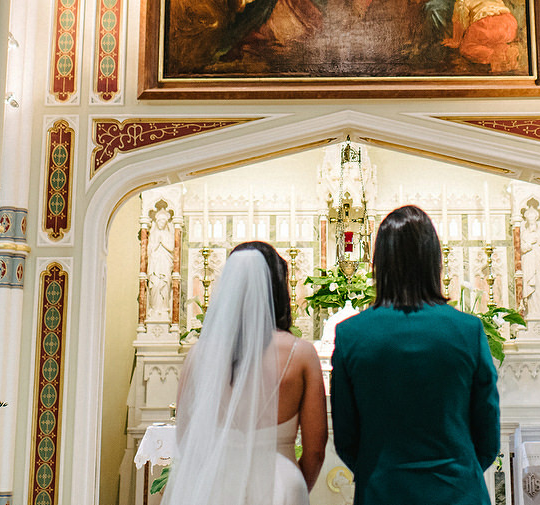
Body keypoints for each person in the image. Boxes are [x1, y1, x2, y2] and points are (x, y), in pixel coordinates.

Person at [331, 206, 500, 505]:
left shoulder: (351, 334)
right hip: (457, 490)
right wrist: (459, 471)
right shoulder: (467, 330)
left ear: (379, 262)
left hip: (383, 490)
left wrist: (380, 471)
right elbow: (487, 431)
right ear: (433, 259)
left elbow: (346, 436)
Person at [162, 242, 327, 505]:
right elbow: (316, 449)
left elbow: (185, 436)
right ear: (279, 288)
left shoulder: (199, 354)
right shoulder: (301, 353)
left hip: (216, 483)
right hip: (280, 483)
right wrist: (294, 486)